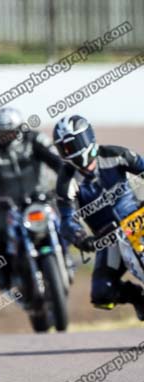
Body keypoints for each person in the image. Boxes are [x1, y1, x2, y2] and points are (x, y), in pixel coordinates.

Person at [52, 114, 144, 318]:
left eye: (74, 143)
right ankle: (138, 298)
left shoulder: (116, 154)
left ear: (88, 137)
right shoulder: (66, 181)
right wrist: (81, 238)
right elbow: (67, 219)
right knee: (102, 293)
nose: (72, 151)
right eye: (64, 148)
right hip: (108, 238)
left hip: (137, 220)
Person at [0, 107, 65, 290]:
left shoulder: (35, 140)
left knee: (66, 224)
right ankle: (7, 278)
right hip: (7, 206)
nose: (4, 137)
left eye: (9, 132)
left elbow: (58, 162)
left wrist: (66, 182)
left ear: (19, 129)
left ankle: (65, 259)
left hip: (41, 199)